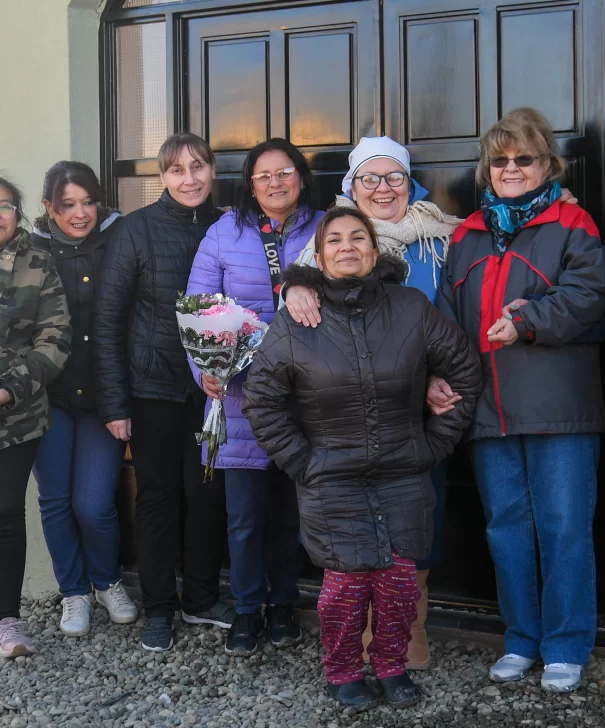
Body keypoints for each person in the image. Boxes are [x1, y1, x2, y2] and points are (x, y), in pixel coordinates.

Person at [286, 135, 579, 668]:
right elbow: (299, 314)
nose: (382, 189)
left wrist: (561, 205)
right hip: (345, 416)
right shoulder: (322, 246)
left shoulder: (448, 237)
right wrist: (292, 287)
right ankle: (358, 639)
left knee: (419, 521)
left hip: (422, 410)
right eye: (369, 179)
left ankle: (406, 630)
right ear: (351, 187)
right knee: (351, 524)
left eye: (393, 177)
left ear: (410, 183)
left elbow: (470, 300)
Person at [243, 207, 482, 710]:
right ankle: (344, 669)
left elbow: (463, 369)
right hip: (331, 479)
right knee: (344, 591)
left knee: (397, 586)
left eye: (358, 238)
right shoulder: (295, 323)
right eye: (335, 240)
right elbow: (262, 400)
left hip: (403, 474)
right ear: (321, 255)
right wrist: (303, 463)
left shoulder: (412, 307)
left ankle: (392, 666)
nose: (347, 246)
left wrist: (436, 444)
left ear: (375, 252)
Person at [437, 108, 605, 693]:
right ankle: (521, 640)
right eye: (500, 160)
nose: (511, 168)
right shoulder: (465, 235)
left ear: (546, 165)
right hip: (488, 410)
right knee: (506, 527)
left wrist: (530, 319)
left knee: (564, 528)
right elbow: (445, 319)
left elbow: (590, 298)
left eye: (524, 158)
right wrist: (438, 375)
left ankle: (566, 645)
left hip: (560, 409)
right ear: (487, 169)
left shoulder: (573, 222)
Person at [186, 138, 324, 654]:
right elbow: (200, 307)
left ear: (301, 177)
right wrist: (204, 368)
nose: (275, 182)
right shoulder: (224, 232)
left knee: (292, 514)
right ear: (249, 182)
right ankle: (246, 610)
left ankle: (283, 604)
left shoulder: (325, 226)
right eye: (263, 175)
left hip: (306, 397)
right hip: (240, 399)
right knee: (243, 518)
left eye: (284, 172)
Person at [94, 133, 230, 652]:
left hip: (215, 389)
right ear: (162, 178)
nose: (190, 178)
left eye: (198, 167)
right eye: (177, 170)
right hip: (153, 388)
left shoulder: (230, 225)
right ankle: (158, 608)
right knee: (156, 498)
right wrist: (114, 402)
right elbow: (108, 320)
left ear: (213, 171)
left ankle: (199, 598)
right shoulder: (136, 230)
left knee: (208, 493)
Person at [30, 162, 138, 638]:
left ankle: (107, 581)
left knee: (94, 504)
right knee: (55, 501)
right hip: (46, 398)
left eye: (88, 202)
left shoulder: (120, 240)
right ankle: (73, 592)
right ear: (48, 208)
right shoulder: (30, 252)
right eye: (68, 205)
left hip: (103, 398)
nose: (80, 214)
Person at [0, 177, 72, 657]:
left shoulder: (38, 262)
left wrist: (8, 390)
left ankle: (7, 621)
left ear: (18, 212)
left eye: (3, 206)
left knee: (5, 515)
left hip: (16, 414)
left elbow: (56, 339)